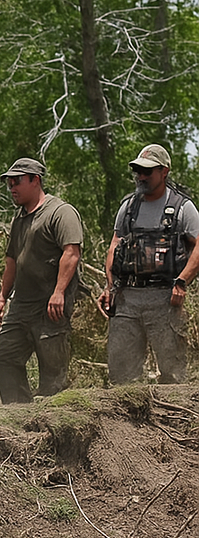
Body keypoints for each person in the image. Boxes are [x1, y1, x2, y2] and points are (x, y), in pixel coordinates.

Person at [97, 144, 199, 384]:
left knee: (173, 374)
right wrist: (109, 286)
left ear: (164, 172)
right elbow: (114, 245)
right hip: (127, 299)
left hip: (165, 300)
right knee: (121, 375)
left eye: (147, 171)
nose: (141, 177)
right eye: (137, 171)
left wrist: (182, 282)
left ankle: (173, 419)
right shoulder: (128, 207)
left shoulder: (183, 208)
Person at [0, 158, 84, 404]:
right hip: (21, 304)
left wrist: (59, 293)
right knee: (4, 357)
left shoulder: (60, 212)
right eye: (9, 182)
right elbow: (12, 259)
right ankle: (19, 414)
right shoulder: (19, 217)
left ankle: (54, 426)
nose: (12, 187)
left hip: (49, 306)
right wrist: (2, 297)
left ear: (35, 180)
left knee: (52, 374)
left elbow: (71, 253)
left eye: (17, 181)